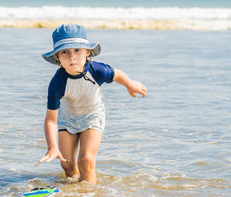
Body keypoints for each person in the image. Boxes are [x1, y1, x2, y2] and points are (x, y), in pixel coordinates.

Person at [35, 23, 147, 184]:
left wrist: (130, 84)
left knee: (86, 159)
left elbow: (116, 74)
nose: (72, 56)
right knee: (66, 165)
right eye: (65, 52)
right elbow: (50, 120)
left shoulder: (97, 71)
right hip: (67, 121)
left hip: (92, 117)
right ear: (56, 57)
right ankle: (76, 190)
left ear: (87, 52)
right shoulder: (57, 82)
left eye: (77, 50)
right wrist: (52, 147)